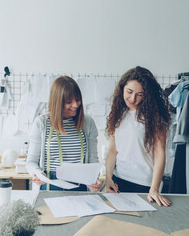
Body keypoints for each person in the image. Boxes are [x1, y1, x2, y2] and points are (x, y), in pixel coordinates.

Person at [105, 66, 171, 207]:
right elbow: (112, 151)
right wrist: (108, 178)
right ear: (122, 87)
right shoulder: (117, 113)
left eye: (140, 94)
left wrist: (154, 189)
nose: (133, 98)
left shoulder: (155, 118)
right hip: (119, 181)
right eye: (129, 92)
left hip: (144, 184)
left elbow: (160, 154)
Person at [25, 76, 102, 192]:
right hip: (50, 184)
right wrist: (36, 173)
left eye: (77, 100)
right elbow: (31, 161)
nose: (75, 105)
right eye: (69, 102)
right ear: (57, 102)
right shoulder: (41, 123)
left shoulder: (88, 123)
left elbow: (93, 160)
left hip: (80, 184)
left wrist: (94, 180)